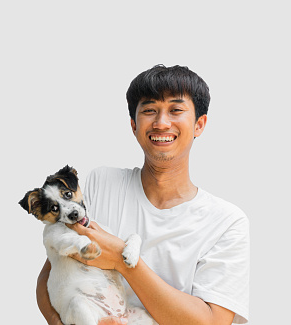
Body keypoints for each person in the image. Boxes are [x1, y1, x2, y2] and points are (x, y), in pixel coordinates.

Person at [36, 64, 250, 325]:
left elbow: (212, 322)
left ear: (199, 124)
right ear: (133, 125)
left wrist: (120, 260)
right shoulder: (101, 183)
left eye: (176, 110)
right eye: (149, 110)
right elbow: (51, 274)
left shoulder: (226, 222)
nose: (161, 123)